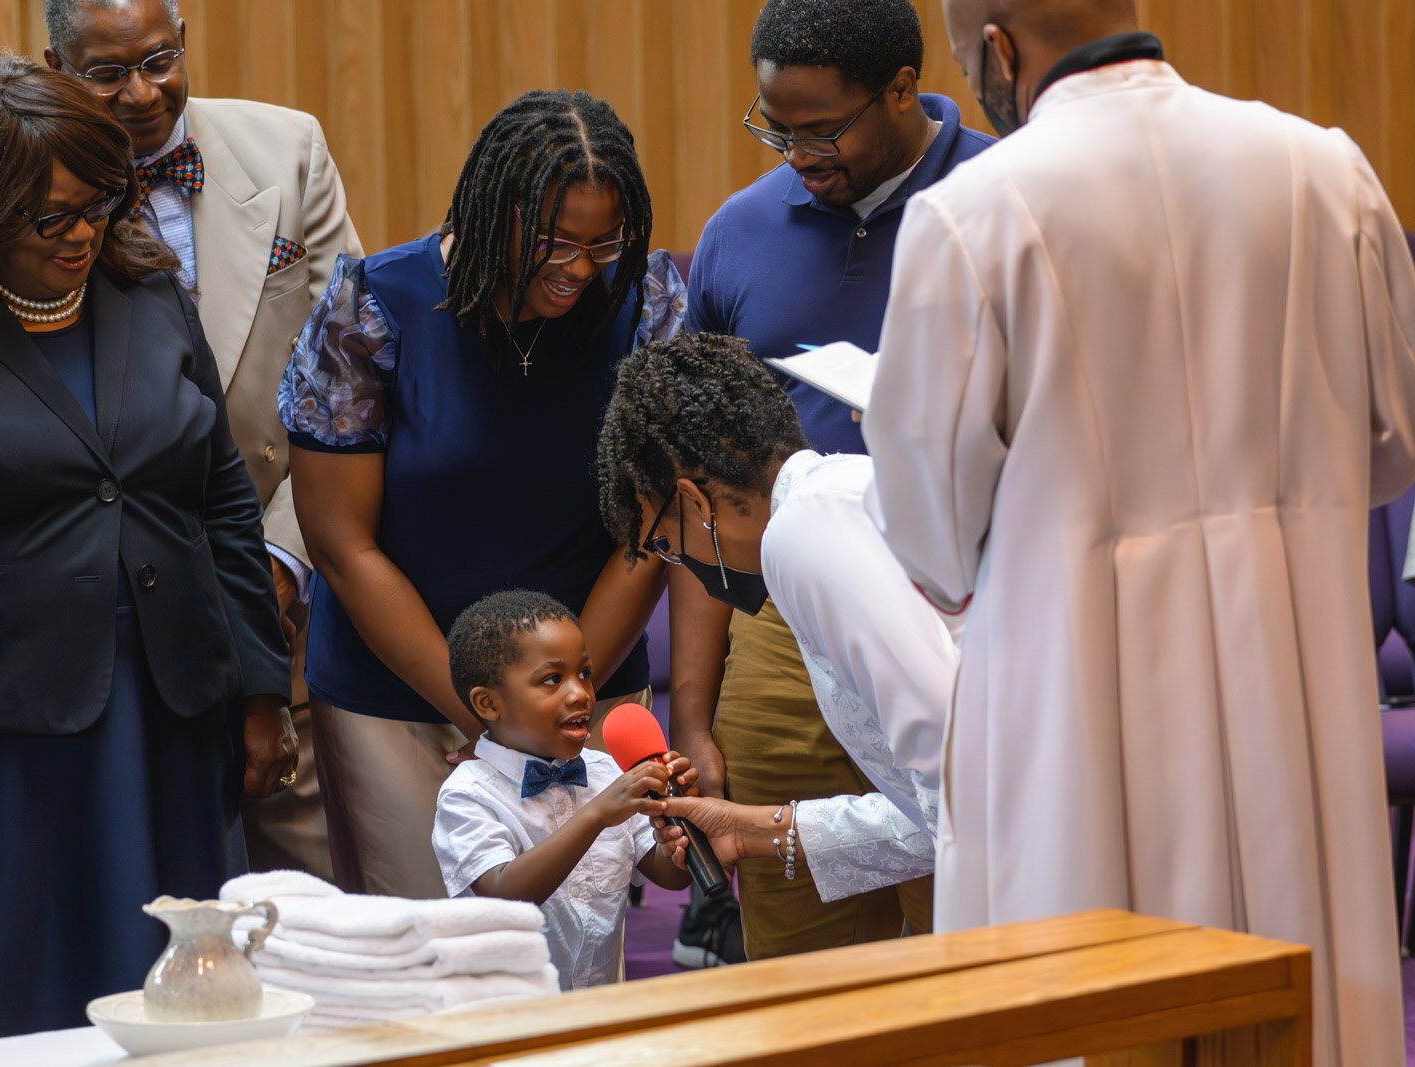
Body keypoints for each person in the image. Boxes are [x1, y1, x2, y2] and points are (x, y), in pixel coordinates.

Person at [861, 1, 1415, 1063]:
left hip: (1077, 676)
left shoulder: (970, 211)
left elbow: (928, 527)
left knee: (1087, 988)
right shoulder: (1324, 171)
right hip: (1289, 667)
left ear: (997, 47)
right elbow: (1392, 445)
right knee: (1296, 967)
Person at [0, 54, 295, 1053]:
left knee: (167, 992)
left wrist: (258, 688)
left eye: (102, 205)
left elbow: (216, 495)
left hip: (162, 718)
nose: (83, 234)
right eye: (50, 218)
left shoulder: (148, 295)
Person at [279, 89, 684, 899]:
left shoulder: (645, 305)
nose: (577, 270)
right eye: (552, 243)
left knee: (572, 952)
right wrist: (486, 713)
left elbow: (654, 528)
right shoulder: (374, 306)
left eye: (602, 244)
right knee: (421, 957)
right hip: (397, 701)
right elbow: (340, 544)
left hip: (582, 696)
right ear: (490, 208)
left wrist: (552, 705)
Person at [668, 0, 992, 963]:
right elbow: (697, 482)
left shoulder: (997, 201)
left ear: (901, 90)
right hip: (785, 623)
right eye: (775, 127)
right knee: (800, 943)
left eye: (823, 129)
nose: (798, 153)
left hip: (967, 606)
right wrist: (695, 707)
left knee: (964, 896)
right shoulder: (741, 232)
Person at [45, 0, 362, 879]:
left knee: (303, 905)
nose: (143, 94)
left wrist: (282, 562)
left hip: (284, 586)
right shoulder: (24, 180)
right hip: (102, 613)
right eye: (107, 73)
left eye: (159, 61)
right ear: (56, 64)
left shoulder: (288, 148)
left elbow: (352, 386)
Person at [598, 334, 956, 923]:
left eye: (664, 541)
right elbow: (945, 808)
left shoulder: (803, 532)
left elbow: (967, 783)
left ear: (693, 500)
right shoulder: (836, 494)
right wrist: (748, 831)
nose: (676, 560)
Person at [432, 590, 694, 989]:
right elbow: (504, 896)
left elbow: (670, 878)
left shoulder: (605, 771)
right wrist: (595, 815)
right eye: (552, 679)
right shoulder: (468, 794)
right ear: (488, 704)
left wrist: (678, 824)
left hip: (599, 1005)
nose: (579, 693)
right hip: (509, 1017)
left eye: (584, 673)